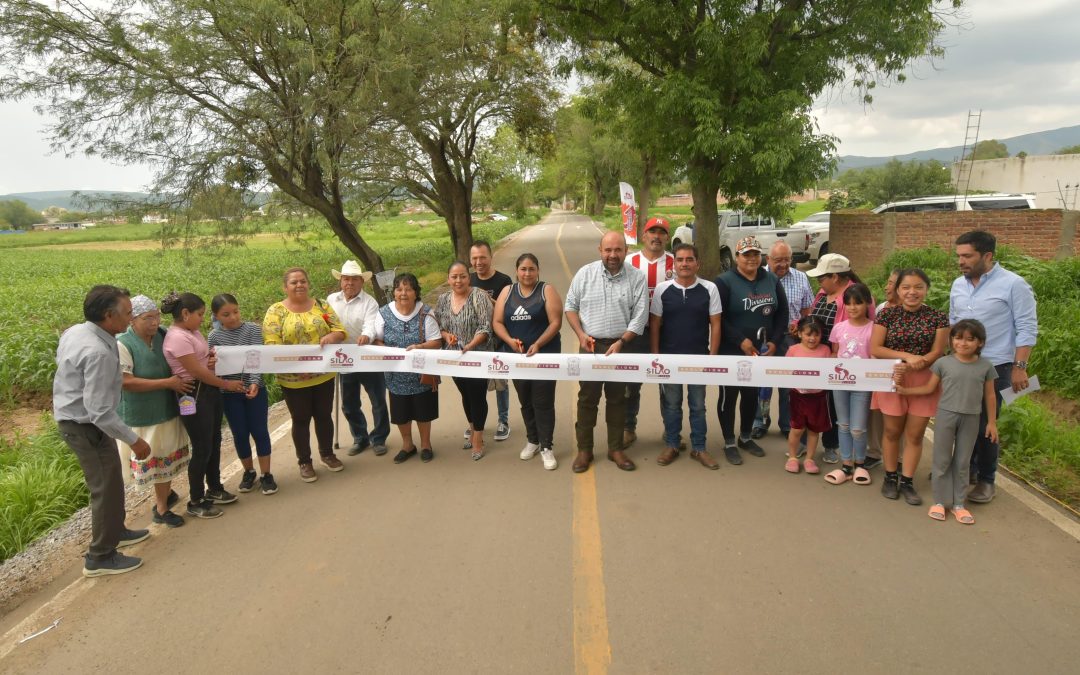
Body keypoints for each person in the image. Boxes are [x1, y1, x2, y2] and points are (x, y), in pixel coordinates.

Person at [54, 285, 153, 576]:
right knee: (105, 488)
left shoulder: (79, 331)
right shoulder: (95, 350)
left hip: (89, 421)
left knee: (112, 481)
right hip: (85, 425)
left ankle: (115, 531)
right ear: (109, 316)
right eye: (127, 313)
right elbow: (97, 411)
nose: (130, 317)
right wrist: (134, 441)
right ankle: (100, 556)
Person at [949, 230, 1037, 504]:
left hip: (997, 365)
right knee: (963, 419)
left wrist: (1019, 367)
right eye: (959, 256)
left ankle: (987, 479)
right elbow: (954, 322)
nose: (961, 261)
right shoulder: (957, 285)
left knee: (986, 424)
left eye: (967, 256)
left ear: (987, 255)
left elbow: (1026, 326)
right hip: (963, 365)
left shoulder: (1014, 284)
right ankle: (968, 470)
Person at [897, 319, 999, 525]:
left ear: (980, 343)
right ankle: (940, 502)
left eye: (971, 339)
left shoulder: (986, 366)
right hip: (945, 415)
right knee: (941, 460)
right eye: (958, 338)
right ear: (951, 340)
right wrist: (906, 391)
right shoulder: (943, 363)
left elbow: (990, 396)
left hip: (972, 417)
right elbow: (929, 388)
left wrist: (992, 422)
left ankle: (959, 504)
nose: (963, 343)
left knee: (962, 461)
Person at [565, 230, 648, 473]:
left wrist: (622, 341)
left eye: (618, 250)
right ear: (600, 250)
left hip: (621, 346)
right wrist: (581, 335)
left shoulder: (637, 278)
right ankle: (584, 450)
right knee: (587, 399)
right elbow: (570, 307)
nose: (613, 255)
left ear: (626, 251)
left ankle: (615, 448)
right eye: (608, 250)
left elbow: (640, 316)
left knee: (618, 399)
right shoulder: (585, 274)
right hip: (589, 345)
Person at [870, 268, 950, 506]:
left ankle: (907, 481)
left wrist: (919, 363)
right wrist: (906, 358)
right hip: (893, 377)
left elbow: (938, 351)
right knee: (892, 432)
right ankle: (889, 476)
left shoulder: (938, 317)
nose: (912, 292)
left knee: (915, 435)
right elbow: (876, 348)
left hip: (925, 380)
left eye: (918, 287)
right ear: (897, 290)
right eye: (906, 287)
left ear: (926, 289)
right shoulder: (886, 315)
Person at [162, 292, 245, 519]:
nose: (202, 319)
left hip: (208, 391)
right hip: (194, 393)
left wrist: (208, 359)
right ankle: (196, 499)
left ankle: (215, 487)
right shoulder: (177, 337)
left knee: (214, 440)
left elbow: (200, 362)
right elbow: (196, 372)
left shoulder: (192, 331)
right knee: (202, 447)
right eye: (199, 314)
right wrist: (226, 383)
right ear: (185, 313)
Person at [262, 267, 347, 483]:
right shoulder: (276, 312)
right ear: (285, 287)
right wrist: (297, 367)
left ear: (308, 284)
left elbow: (339, 330)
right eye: (294, 282)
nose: (299, 285)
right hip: (293, 379)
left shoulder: (321, 305)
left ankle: (327, 454)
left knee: (323, 415)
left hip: (324, 374)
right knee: (300, 419)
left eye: (303, 281)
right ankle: (305, 461)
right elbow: (272, 345)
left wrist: (331, 337)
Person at [117, 295, 192, 528]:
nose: (154, 322)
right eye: (147, 318)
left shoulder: (162, 335)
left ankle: (162, 502)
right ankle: (161, 508)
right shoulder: (123, 344)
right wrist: (167, 383)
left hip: (167, 409)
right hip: (142, 415)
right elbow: (125, 381)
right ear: (132, 321)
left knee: (166, 458)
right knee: (156, 459)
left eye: (156, 316)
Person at [713, 236, 789, 465]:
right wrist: (740, 341)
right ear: (737, 257)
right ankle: (728, 441)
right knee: (730, 395)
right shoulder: (724, 282)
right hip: (732, 349)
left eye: (755, 254)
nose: (751, 258)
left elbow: (782, 314)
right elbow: (719, 319)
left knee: (750, 395)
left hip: (760, 350)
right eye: (746, 254)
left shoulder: (772, 280)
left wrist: (775, 341)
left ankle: (745, 436)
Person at [649, 243, 722, 469]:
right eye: (680, 259)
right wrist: (656, 356)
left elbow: (716, 325)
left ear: (697, 263)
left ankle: (699, 448)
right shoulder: (662, 289)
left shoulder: (710, 289)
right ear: (675, 263)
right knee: (672, 405)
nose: (684, 264)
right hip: (669, 360)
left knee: (698, 405)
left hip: (699, 359)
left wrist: (712, 358)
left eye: (689, 259)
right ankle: (672, 444)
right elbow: (655, 325)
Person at [492, 253, 563, 470]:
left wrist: (539, 344)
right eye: (523, 269)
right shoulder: (507, 292)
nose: (527, 273)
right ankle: (532, 440)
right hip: (518, 358)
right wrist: (509, 341)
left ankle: (546, 447)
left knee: (543, 401)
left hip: (544, 356)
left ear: (538, 270)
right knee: (526, 401)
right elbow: (497, 322)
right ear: (516, 271)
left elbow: (555, 323)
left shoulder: (546, 290)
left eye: (531, 269)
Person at [804, 253, 874, 464]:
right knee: (821, 401)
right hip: (821, 354)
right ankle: (819, 442)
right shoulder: (823, 293)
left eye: (821, 278)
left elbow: (867, 329)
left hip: (844, 363)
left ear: (835, 277)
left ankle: (834, 446)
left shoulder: (857, 295)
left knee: (840, 409)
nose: (819, 282)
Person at [208, 294, 277, 496]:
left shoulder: (252, 330)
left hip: (255, 390)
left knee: (260, 432)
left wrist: (254, 383)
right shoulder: (214, 337)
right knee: (240, 434)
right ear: (216, 316)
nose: (233, 317)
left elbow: (256, 357)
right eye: (226, 314)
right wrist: (221, 376)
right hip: (229, 393)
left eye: (236, 312)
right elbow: (215, 366)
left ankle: (266, 475)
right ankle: (248, 472)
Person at [372, 273, 442, 463]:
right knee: (401, 413)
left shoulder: (426, 312)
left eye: (408, 289)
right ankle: (407, 445)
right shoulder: (383, 313)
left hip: (421, 374)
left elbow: (436, 341)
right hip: (395, 374)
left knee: (423, 410)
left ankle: (426, 444)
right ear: (394, 292)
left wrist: (420, 347)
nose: (403, 293)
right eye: (399, 289)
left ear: (415, 292)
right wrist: (385, 349)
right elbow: (376, 339)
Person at [751, 240, 814, 440]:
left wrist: (801, 326)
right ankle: (760, 421)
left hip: (791, 338)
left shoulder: (801, 278)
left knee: (788, 383)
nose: (783, 264)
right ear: (767, 259)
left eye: (787, 260)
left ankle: (787, 423)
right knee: (763, 382)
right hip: (764, 337)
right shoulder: (758, 278)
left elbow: (807, 310)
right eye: (778, 260)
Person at [327, 260, 390, 457]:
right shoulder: (330, 300)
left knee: (377, 400)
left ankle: (379, 438)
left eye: (354, 279)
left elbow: (371, 325)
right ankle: (360, 437)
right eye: (346, 279)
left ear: (361, 282)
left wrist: (367, 336)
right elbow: (326, 323)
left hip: (366, 356)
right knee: (349, 403)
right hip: (343, 358)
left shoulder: (369, 302)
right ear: (341, 281)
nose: (350, 283)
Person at [624, 216, 675, 449]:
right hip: (637, 332)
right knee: (631, 383)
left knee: (668, 383)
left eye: (661, 232)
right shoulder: (629, 261)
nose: (656, 236)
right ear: (643, 236)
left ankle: (671, 430)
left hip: (668, 332)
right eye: (652, 232)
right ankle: (628, 428)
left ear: (667, 237)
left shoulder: (676, 262)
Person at [435, 261, 494, 460]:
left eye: (462, 276)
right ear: (448, 279)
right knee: (465, 394)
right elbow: (439, 327)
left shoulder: (479, 296)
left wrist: (470, 345)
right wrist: (446, 336)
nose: (458, 280)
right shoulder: (443, 300)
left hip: (477, 356)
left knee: (477, 396)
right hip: (454, 358)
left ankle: (478, 437)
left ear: (468, 278)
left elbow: (486, 327)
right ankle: (471, 427)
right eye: (454, 277)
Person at [824, 283, 875, 486]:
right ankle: (846, 464)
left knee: (858, 428)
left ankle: (860, 463)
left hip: (863, 385)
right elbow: (835, 353)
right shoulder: (839, 328)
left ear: (867, 304)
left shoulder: (874, 329)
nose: (853, 308)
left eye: (858, 303)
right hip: (840, 382)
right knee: (843, 424)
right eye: (849, 304)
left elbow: (875, 356)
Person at [469, 240, 513, 442]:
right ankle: (477, 424)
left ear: (491, 257)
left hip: (498, 342)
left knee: (500, 383)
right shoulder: (468, 280)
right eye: (475, 258)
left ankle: (503, 421)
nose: (479, 262)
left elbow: (509, 309)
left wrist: (486, 299)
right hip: (476, 343)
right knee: (476, 385)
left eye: (482, 257)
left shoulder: (503, 281)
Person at [783, 317, 832, 475]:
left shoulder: (825, 350)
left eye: (816, 335)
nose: (812, 338)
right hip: (798, 396)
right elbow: (785, 371)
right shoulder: (793, 350)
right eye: (808, 334)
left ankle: (810, 459)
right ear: (799, 333)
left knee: (813, 430)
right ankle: (792, 457)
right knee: (797, 428)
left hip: (818, 396)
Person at [867, 268, 902, 469]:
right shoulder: (881, 308)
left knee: (898, 414)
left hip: (901, 370)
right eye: (888, 282)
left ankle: (899, 458)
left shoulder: (916, 310)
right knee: (876, 411)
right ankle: (874, 451)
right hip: (879, 366)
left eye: (892, 283)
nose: (887, 287)